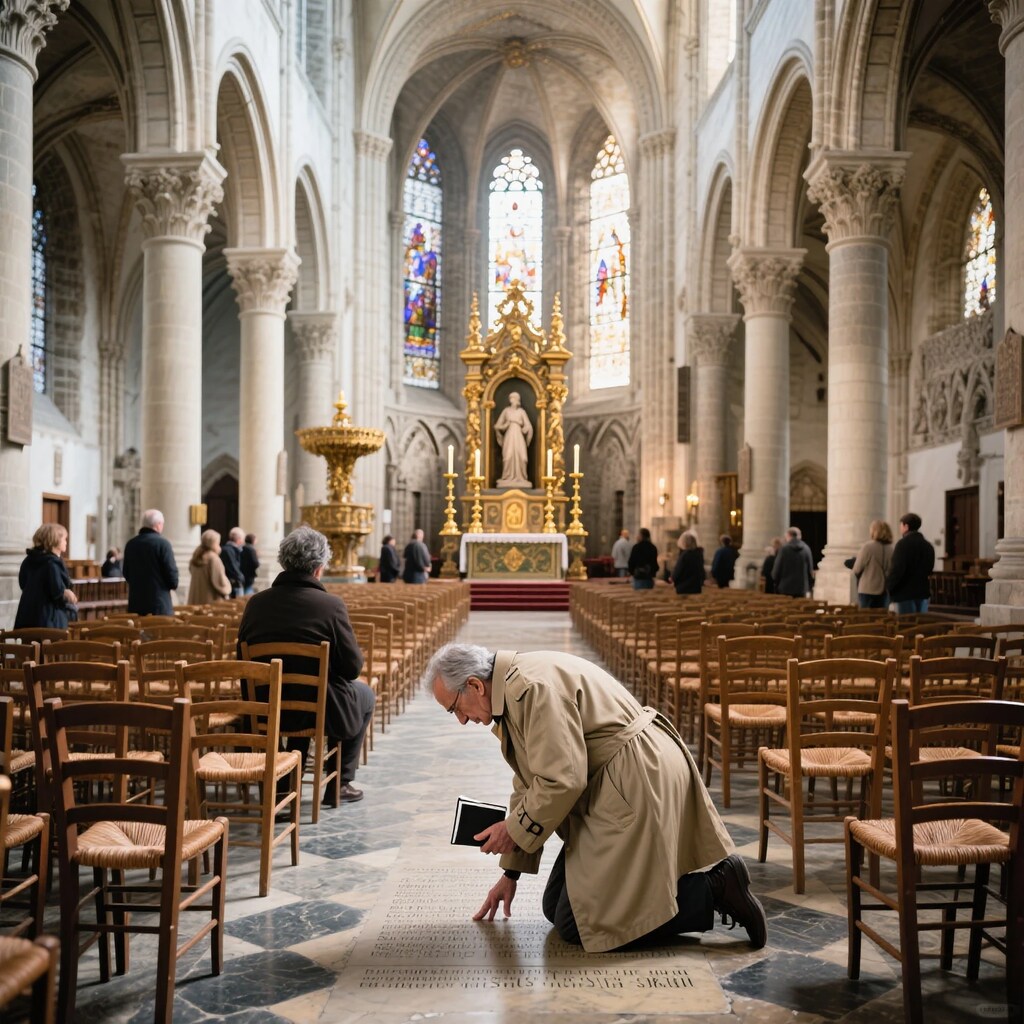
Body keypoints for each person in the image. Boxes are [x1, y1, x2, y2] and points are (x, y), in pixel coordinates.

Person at [426, 643, 767, 953]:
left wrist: (512, 831)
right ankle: (657, 888)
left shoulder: (529, 689)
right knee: (556, 906)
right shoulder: (513, 688)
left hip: (633, 781)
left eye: (455, 707)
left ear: (475, 685)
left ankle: (716, 887)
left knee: (583, 926)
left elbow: (561, 782)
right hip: (622, 774)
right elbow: (530, 780)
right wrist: (510, 874)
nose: (460, 720)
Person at [237, 525, 375, 803]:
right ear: (318, 568)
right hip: (318, 710)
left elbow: (242, 661)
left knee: (298, 694)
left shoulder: (256, 604)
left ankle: (285, 783)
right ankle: (340, 783)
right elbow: (352, 668)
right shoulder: (330, 606)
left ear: (284, 562)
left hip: (266, 706)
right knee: (365, 695)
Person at [15, 523, 78, 629]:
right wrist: (66, 593)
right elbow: (57, 593)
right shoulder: (52, 564)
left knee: (28, 645)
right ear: (55, 540)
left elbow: (23, 584)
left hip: (27, 615)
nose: (66, 542)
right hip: (49, 619)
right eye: (64, 539)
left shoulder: (28, 560)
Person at [122, 509, 179, 615]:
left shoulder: (131, 544)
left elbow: (126, 573)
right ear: (158, 525)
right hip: (159, 605)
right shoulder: (163, 544)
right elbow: (172, 578)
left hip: (136, 604)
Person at [886, 512, 935, 614]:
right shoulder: (928, 546)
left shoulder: (902, 544)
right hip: (922, 592)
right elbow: (929, 569)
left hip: (904, 594)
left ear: (906, 526)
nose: (900, 528)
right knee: (920, 625)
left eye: (901, 525)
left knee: (906, 625)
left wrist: (889, 588)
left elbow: (897, 569)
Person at [848, 520, 894, 609]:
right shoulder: (891, 549)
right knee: (881, 618)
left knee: (866, 618)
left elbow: (857, 569)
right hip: (884, 589)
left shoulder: (868, 547)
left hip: (867, 589)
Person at [494, 391, 534, 487]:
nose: (514, 400)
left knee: (522, 457)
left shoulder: (521, 412)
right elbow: (497, 426)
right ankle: (507, 477)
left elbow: (528, 426)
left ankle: (521, 478)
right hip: (509, 436)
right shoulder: (506, 411)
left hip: (519, 436)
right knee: (508, 456)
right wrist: (505, 425)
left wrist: (526, 429)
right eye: (512, 398)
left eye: (515, 398)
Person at [187, 529, 232, 604]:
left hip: (196, 598)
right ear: (213, 543)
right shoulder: (213, 558)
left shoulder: (196, 557)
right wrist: (227, 588)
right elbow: (219, 581)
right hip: (210, 600)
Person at [772, 526, 815, 598]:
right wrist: (809, 586)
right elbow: (810, 570)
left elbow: (777, 569)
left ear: (788, 535)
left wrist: (776, 581)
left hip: (785, 588)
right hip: (802, 588)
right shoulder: (806, 549)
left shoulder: (784, 549)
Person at [671, 530, 705, 595]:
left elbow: (678, 571)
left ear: (683, 542)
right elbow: (701, 571)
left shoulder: (685, 555)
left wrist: (672, 577)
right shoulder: (699, 554)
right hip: (696, 587)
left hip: (684, 588)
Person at [220, 527, 245, 597]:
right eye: (243, 539)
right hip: (233, 584)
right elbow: (233, 567)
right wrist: (241, 578)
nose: (243, 541)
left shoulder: (235, 549)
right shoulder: (228, 550)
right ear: (239, 539)